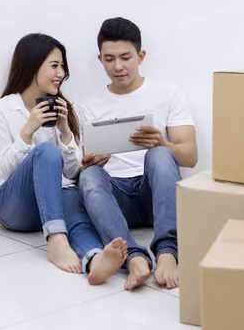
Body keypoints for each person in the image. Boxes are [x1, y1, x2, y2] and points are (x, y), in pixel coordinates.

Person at [0, 33, 127, 285]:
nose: (61, 73)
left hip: (54, 203)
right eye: (54, 66)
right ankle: (57, 240)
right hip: (13, 207)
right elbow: (5, 170)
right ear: (31, 66)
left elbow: (71, 173)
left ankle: (94, 260)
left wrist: (65, 131)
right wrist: (27, 131)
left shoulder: (66, 107)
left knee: (70, 195)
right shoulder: (0, 111)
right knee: (47, 153)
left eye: (62, 66)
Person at [78, 17, 198, 291]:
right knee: (89, 175)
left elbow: (190, 156)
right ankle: (132, 257)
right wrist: (90, 163)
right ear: (100, 59)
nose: (117, 67)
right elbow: (81, 169)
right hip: (116, 198)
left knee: (158, 156)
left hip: (155, 193)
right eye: (109, 59)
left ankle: (168, 252)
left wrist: (161, 144)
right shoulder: (88, 106)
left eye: (125, 57)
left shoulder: (167, 93)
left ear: (140, 56)